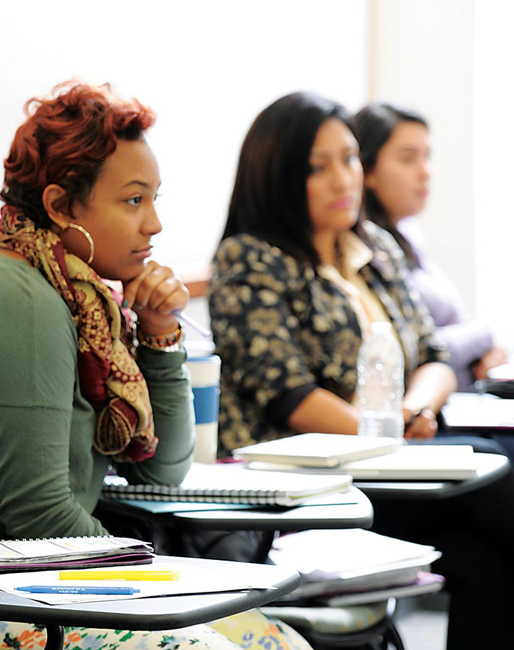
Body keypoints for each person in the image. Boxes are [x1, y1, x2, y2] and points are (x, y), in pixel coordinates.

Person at [0, 81, 312, 650]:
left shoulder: (88, 302)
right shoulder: (22, 298)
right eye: (132, 200)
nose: (154, 225)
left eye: (154, 200)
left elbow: (163, 469)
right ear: (60, 206)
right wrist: (169, 582)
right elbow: (39, 513)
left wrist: (161, 335)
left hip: (46, 582)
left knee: (278, 640)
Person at [208, 91, 514, 650]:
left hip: (396, 463)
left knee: (484, 558)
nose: (342, 179)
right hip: (316, 484)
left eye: (349, 159)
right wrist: (387, 435)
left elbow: (434, 354)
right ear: (276, 176)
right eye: (317, 167)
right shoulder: (250, 257)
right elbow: (290, 396)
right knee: (502, 470)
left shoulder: (374, 245)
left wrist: (415, 408)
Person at [353, 102, 507, 392]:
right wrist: (484, 336)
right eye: (409, 159)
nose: (426, 172)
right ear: (367, 170)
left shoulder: (409, 233)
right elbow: (411, 347)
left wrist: (485, 352)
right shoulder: (364, 251)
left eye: (427, 157)